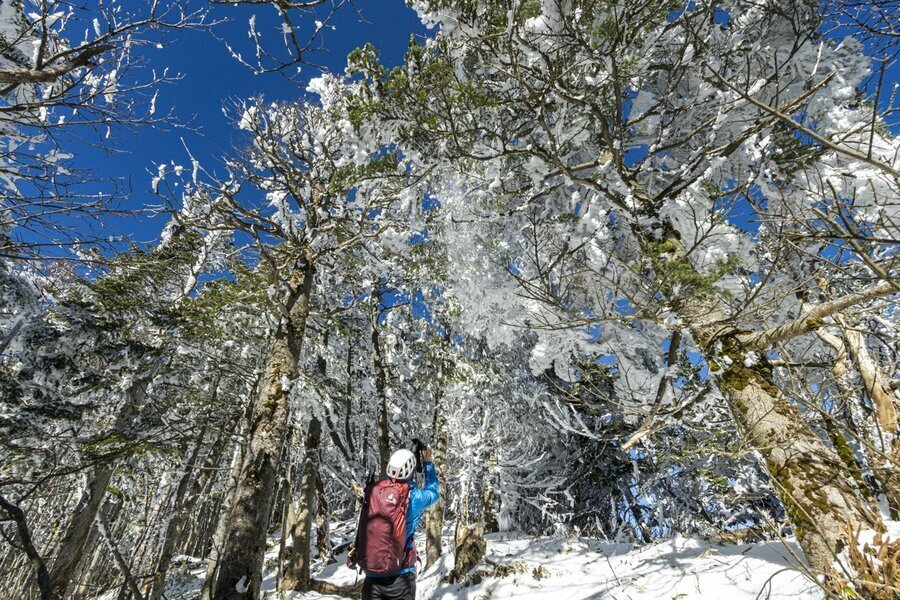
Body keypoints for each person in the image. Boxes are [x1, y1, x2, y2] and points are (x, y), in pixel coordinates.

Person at [361, 445, 439, 600]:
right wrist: (427, 463)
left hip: (372, 576)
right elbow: (433, 492)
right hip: (401, 577)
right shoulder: (414, 497)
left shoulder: (375, 491)